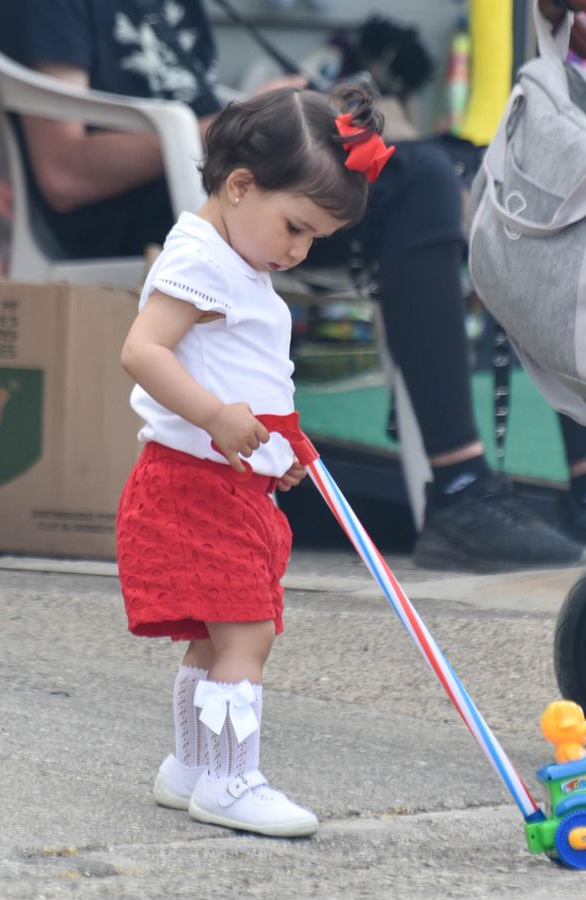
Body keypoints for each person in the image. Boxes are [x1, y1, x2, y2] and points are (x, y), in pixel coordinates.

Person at [0, 0, 586, 570]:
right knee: (424, 184)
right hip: (156, 202)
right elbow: (64, 172)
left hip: (234, 179)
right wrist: (233, 128)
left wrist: (288, 118)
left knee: (497, 173)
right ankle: (459, 487)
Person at [115, 81, 388, 837]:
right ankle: (231, 781)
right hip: (193, 484)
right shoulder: (201, 259)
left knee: (215, 629)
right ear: (240, 187)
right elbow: (142, 349)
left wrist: (275, 451)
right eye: (295, 228)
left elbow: (247, 378)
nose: (300, 251)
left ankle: (192, 768)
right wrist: (212, 416)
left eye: (314, 241)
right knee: (247, 631)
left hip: (225, 481)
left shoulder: (239, 263)